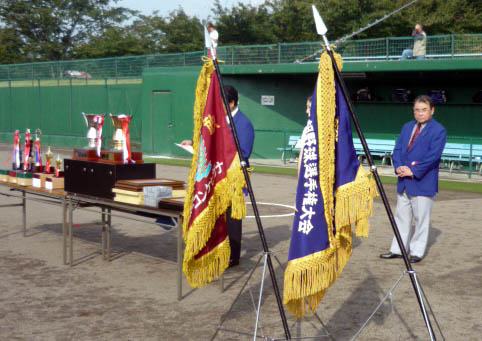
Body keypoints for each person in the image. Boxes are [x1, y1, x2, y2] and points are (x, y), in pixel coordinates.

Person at [181, 85, 254, 267]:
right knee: (216, 215)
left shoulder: (244, 124)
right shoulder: (219, 119)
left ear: (231, 103)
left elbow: (243, 152)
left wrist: (219, 153)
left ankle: (233, 257)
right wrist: (193, 143)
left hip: (233, 178)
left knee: (232, 218)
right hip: (216, 175)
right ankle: (216, 249)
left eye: (221, 102)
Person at [380, 95, 446, 263]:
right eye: (417, 110)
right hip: (403, 180)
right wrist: (398, 166)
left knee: (421, 219)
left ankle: (417, 251)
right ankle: (398, 249)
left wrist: (413, 170)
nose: (420, 113)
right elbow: (398, 149)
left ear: (432, 110)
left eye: (424, 110)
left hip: (422, 181)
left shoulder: (438, 130)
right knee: (401, 218)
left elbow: (433, 156)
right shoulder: (407, 126)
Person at [297, 95, 312, 174]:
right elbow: (301, 153)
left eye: (309, 107)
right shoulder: (306, 129)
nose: (307, 111)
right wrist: (299, 174)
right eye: (307, 107)